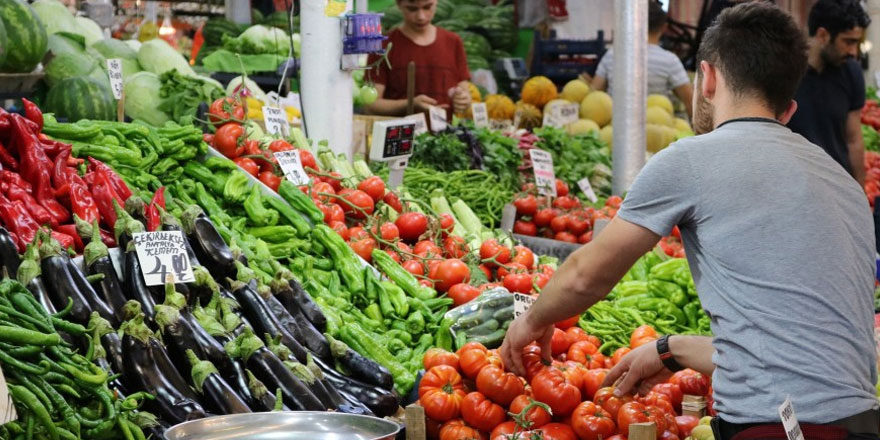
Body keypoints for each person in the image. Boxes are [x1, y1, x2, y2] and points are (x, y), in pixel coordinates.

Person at [500, 3, 879, 438]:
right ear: (789, 110)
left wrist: (530, 322)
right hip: (861, 424)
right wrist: (669, 349)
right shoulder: (846, 185)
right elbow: (793, 350)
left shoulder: (691, 159)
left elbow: (587, 276)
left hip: (776, 428)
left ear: (708, 79)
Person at [787, 0, 870, 186]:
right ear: (823, 35)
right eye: (848, 42)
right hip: (795, 184)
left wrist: (860, 192)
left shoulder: (851, 72)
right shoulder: (786, 72)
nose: (854, 52)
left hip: (837, 183)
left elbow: (854, 138)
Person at [588, 1, 694, 119]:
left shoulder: (612, 54)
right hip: (657, 127)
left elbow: (594, 94)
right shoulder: (670, 61)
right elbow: (690, 101)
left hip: (616, 127)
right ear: (664, 28)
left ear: (635, 23)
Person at [366, 0, 471, 116]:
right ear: (399, 5)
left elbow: (463, 90)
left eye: (427, 7)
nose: (421, 16)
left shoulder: (453, 42)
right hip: (401, 132)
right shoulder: (383, 46)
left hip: (445, 132)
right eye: (412, 9)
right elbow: (370, 105)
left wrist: (463, 99)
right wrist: (410, 103)